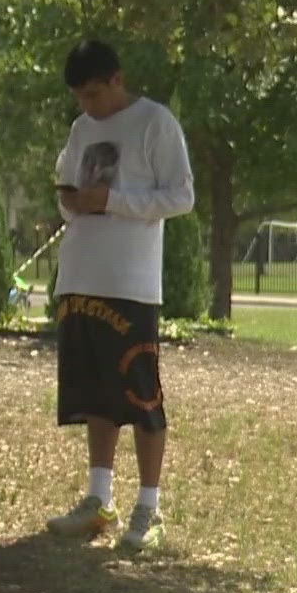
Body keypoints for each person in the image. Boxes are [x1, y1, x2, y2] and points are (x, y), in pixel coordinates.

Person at [42, 40, 196, 550]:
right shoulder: (82, 129)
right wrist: (75, 201)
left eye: (93, 94)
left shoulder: (155, 122)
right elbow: (70, 197)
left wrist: (112, 201)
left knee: (140, 395)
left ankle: (149, 507)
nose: (88, 107)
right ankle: (98, 498)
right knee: (94, 396)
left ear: (115, 79)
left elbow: (181, 196)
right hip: (80, 275)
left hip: (130, 283)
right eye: (79, 99)